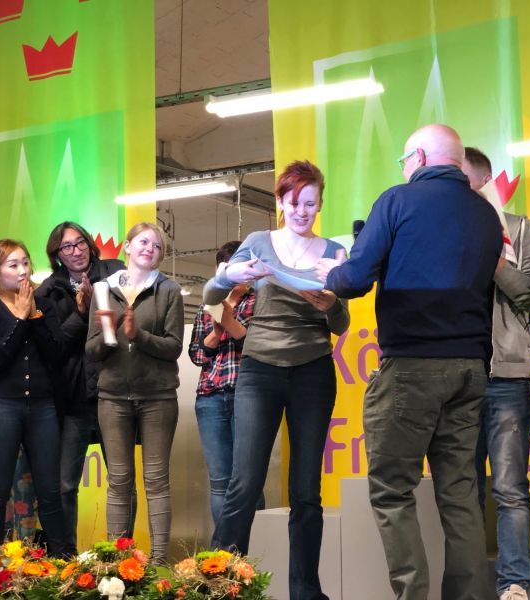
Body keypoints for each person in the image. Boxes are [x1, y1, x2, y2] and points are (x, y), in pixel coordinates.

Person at [317, 124, 503, 600]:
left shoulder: (397, 200)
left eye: (404, 160)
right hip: (470, 367)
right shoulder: (486, 214)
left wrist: (331, 273)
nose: (403, 168)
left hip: (411, 365)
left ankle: (411, 595)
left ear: (418, 157)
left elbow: (355, 280)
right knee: (460, 493)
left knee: (392, 490)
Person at [205, 160, 349, 600]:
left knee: (306, 491)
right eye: (294, 201)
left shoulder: (333, 252)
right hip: (260, 369)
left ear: (320, 204)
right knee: (244, 484)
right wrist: (228, 275)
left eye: (311, 203)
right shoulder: (257, 242)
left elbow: (341, 323)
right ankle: (220, 585)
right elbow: (212, 295)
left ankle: (306, 591)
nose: (302, 211)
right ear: (280, 202)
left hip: (313, 371)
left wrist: (330, 304)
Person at [462, 148, 530, 600]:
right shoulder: (447, 232)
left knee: (511, 488)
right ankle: (470, 583)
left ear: (485, 183)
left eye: (463, 181)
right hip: (457, 375)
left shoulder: (520, 228)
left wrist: (495, 262)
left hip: (507, 378)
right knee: (464, 489)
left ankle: (514, 584)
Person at [86, 222, 183, 563]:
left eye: (157, 246)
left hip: (158, 396)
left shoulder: (169, 290)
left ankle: (158, 561)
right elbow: (92, 351)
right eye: (143, 242)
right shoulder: (102, 290)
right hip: (112, 396)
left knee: (156, 480)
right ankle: (116, 563)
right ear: (127, 247)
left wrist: (137, 335)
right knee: (119, 480)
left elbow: (174, 347)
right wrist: (109, 333)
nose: (149, 249)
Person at [0, 239, 73, 556]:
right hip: (1, 405)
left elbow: (57, 352)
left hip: (43, 406)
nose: (22, 270)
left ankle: (62, 563)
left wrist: (34, 316)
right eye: (13, 264)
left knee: (50, 491)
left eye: (25, 263)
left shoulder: (43, 305)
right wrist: (18, 319)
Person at [35, 221, 128, 549]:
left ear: (89, 244)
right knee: (64, 485)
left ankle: (123, 558)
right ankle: (65, 558)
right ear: (57, 254)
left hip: (112, 391)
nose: (75, 251)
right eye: (67, 247)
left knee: (121, 481)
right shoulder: (46, 292)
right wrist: (80, 311)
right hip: (72, 398)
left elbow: (129, 319)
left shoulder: (116, 273)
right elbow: (54, 347)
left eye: (80, 243)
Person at [188, 241, 258, 526]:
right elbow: (196, 355)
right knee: (219, 480)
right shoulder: (207, 305)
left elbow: (258, 347)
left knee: (248, 478)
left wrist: (229, 322)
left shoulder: (259, 300)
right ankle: (225, 547)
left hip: (249, 395)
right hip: (210, 397)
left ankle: (255, 546)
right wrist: (216, 334)